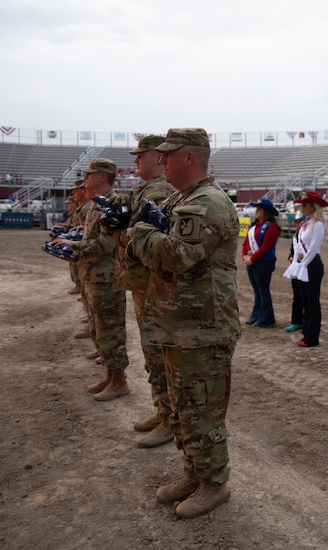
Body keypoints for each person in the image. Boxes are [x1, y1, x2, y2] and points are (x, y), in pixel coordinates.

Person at [130, 128, 240, 519]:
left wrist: (139, 233)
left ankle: (215, 484)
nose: (161, 161)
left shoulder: (206, 203)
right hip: (182, 324)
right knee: (183, 408)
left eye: (168, 155)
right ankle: (195, 473)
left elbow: (176, 255)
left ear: (188, 158)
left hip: (202, 328)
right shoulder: (184, 199)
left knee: (202, 411)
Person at [54, 158, 130, 402]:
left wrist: (75, 244)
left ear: (103, 176)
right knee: (99, 328)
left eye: (90, 174)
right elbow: (92, 237)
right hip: (94, 275)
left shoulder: (112, 203)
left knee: (110, 330)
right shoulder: (95, 204)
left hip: (107, 277)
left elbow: (108, 243)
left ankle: (119, 381)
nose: (85, 179)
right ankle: (110, 375)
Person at [118, 135, 176, 448]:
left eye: (142, 156)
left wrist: (129, 228)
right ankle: (161, 409)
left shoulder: (159, 190)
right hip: (142, 281)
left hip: (153, 283)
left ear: (156, 156)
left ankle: (169, 418)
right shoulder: (145, 189)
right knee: (150, 351)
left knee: (157, 351)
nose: (136, 161)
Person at [283, 191, 328, 348]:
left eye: (305, 205)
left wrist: (303, 264)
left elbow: (314, 248)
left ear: (313, 207)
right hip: (302, 265)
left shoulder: (318, 225)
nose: (302, 208)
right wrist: (296, 263)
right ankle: (306, 332)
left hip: (312, 265)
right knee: (305, 302)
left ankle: (312, 337)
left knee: (312, 302)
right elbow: (297, 246)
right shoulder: (304, 225)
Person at [242, 197, 280, 328]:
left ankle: (266, 318)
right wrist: (245, 255)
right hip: (253, 262)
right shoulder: (253, 227)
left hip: (264, 263)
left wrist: (251, 258)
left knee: (263, 291)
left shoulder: (271, 228)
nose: (256, 211)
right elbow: (246, 243)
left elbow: (265, 247)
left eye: (259, 209)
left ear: (266, 212)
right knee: (257, 291)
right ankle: (257, 315)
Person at [284, 211, 306, 332]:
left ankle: (303, 320)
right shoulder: (295, 236)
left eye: (298, 222)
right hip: (296, 267)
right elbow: (292, 251)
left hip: (303, 267)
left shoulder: (303, 235)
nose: (296, 224)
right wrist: (291, 257)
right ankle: (297, 320)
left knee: (303, 296)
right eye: (295, 222)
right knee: (297, 296)